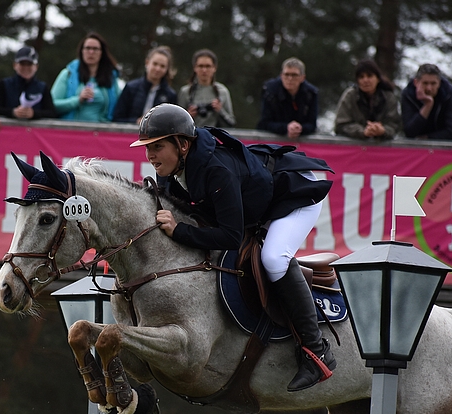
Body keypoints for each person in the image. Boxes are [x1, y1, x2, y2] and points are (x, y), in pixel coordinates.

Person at [130, 103, 336, 391]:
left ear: (182, 144)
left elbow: (229, 236)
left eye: (157, 146)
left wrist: (179, 231)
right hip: (259, 199)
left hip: (294, 193)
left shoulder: (216, 170)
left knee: (274, 258)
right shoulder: (170, 168)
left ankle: (316, 352)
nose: (150, 155)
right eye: (147, 147)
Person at [50, 32, 122, 123]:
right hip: (70, 131)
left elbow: (120, 109)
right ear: (81, 51)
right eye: (87, 48)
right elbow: (52, 105)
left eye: (95, 49)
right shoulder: (67, 74)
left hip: (101, 132)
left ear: (102, 53)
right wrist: (77, 100)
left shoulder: (111, 78)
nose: (91, 52)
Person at [334, 58, 400, 140]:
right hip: (355, 149)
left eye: (369, 76)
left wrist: (382, 130)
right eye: (361, 77)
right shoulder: (350, 96)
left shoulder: (389, 97)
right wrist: (362, 132)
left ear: (378, 78)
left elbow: (394, 125)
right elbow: (341, 125)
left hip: (382, 149)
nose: (365, 80)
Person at [256, 57, 318, 139]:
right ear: (281, 75)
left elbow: (312, 124)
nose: (290, 79)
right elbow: (264, 122)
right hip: (271, 140)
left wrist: (300, 128)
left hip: (301, 141)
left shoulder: (311, 93)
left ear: (302, 78)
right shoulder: (269, 90)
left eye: (294, 75)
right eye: (286, 74)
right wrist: (286, 128)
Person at [113, 45, 176, 124]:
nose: (158, 69)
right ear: (147, 62)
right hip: (130, 134)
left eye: (162, 66)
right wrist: (136, 121)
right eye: (155, 64)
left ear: (167, 69)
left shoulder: (170, 95)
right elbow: (117, 118)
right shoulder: (131, 88)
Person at [0, 45, 56, 120]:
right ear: (15, 65)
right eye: (22, 64)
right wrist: (12, 112)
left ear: (36, 67)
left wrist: (34, 113)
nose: (26, 67)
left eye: (29, 64)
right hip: (8, 130)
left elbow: (52, 112)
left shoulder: (42, 87)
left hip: (34, 130)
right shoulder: (4, 84)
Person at [177, 48, 235, 128]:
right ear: (195, 68)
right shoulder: (186, 92)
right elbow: (177, 123)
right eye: (200, 66)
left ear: (214, 68)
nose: (204, 70)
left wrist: (220, 111)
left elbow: (231, 122)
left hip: (215, 136)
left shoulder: (222, 92)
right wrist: (188, 116)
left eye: (208, 66)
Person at [401, 63, 452, 140]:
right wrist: (427, 105)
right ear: (416, 82)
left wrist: (427, 138)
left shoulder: (448, 93)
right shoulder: (408, 94)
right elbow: (409, 132)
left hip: (443, 147)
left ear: (439, 83)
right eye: (425, 83)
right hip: (416, 148)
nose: (429, 88)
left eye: (433, 83)